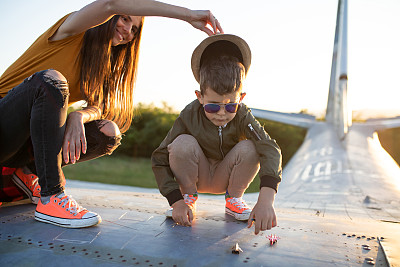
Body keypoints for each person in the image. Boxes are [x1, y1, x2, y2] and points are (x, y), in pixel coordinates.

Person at [0, 0, 223, 228]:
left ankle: (27, 173)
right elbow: (110, 3)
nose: (128, 30)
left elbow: (98, 106)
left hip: (25, 141)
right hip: (4, 127)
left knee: (107, 131)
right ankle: (52, 196)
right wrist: (187, 15)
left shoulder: (100, 63)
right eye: (125, 18)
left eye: (134, 29)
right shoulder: (71, 30)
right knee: (50, 81)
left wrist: (79, 116)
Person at [151, 34, 282, 235]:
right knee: (181, 143)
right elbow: (159, 157)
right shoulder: (189, 113)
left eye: (231, 106)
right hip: (196, 176)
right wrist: (175, 200)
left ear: (242, 97)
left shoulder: (243, 115)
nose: (222, 114)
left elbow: (270, 149)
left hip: (227, 176)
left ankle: (234, 200)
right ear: (200, 97)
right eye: (213, 106)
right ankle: (188, 199)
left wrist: (266, 199)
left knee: (251, 146)